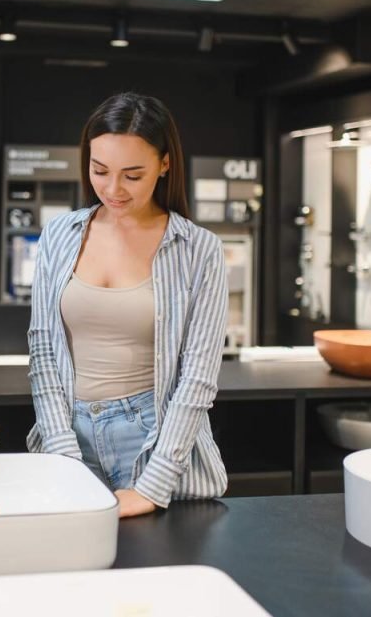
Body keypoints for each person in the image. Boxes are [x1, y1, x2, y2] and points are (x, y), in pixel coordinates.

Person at [26, 92, 229, 518]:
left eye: (132, 175)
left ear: (165, 163)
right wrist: (64, 454)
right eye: (100, 171)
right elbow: (43, 352)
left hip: (153, 440)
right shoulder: (61, 235)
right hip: (67, 433)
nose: (113, 190)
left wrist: (154, 486)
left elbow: (197, 379)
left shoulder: (198, 250)